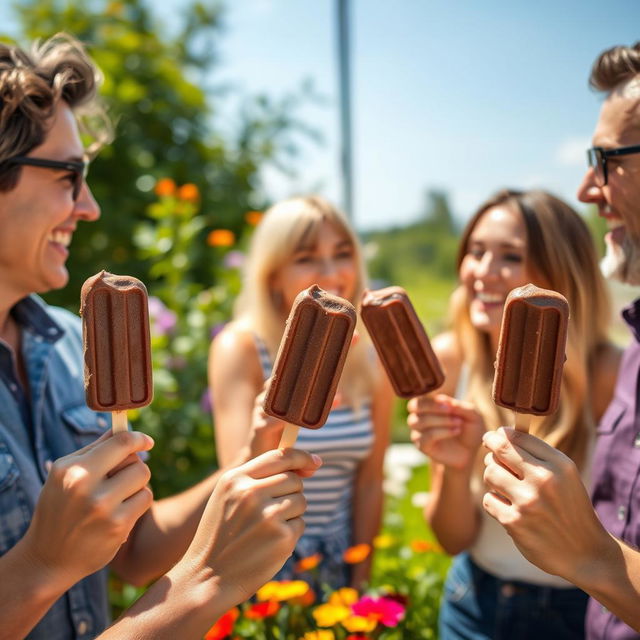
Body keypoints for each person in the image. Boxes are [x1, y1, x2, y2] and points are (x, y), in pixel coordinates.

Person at [0, 33, 321, 640]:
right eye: (69, 175)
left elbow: (131, 550)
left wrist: (241, 470)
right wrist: (43, 563)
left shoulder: (70, 344)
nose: (88, 206)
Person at [407, 188, 621, 639]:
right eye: (476, 251)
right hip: (473, 605)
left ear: (562, 270)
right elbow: (451, 540)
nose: (483, 272)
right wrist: (452, 464)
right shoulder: (450, 361)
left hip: (584, 613)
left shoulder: (613, 374)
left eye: (510, 256)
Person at [482, 43, 640, 639]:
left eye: (605, 160)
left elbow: (598, 555)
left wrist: (592, 555)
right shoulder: (636, 351)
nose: (585, 189)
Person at [208, 195, 394, 592]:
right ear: (272, 274)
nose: (331, 273)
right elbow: (236, 478)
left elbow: (370, 482)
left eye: (342, 254)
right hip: (261, 562)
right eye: (307, 257)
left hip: (339, 558)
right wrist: (267, 427)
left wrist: (359, 580)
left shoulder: (372, 356)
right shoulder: (240, 348)